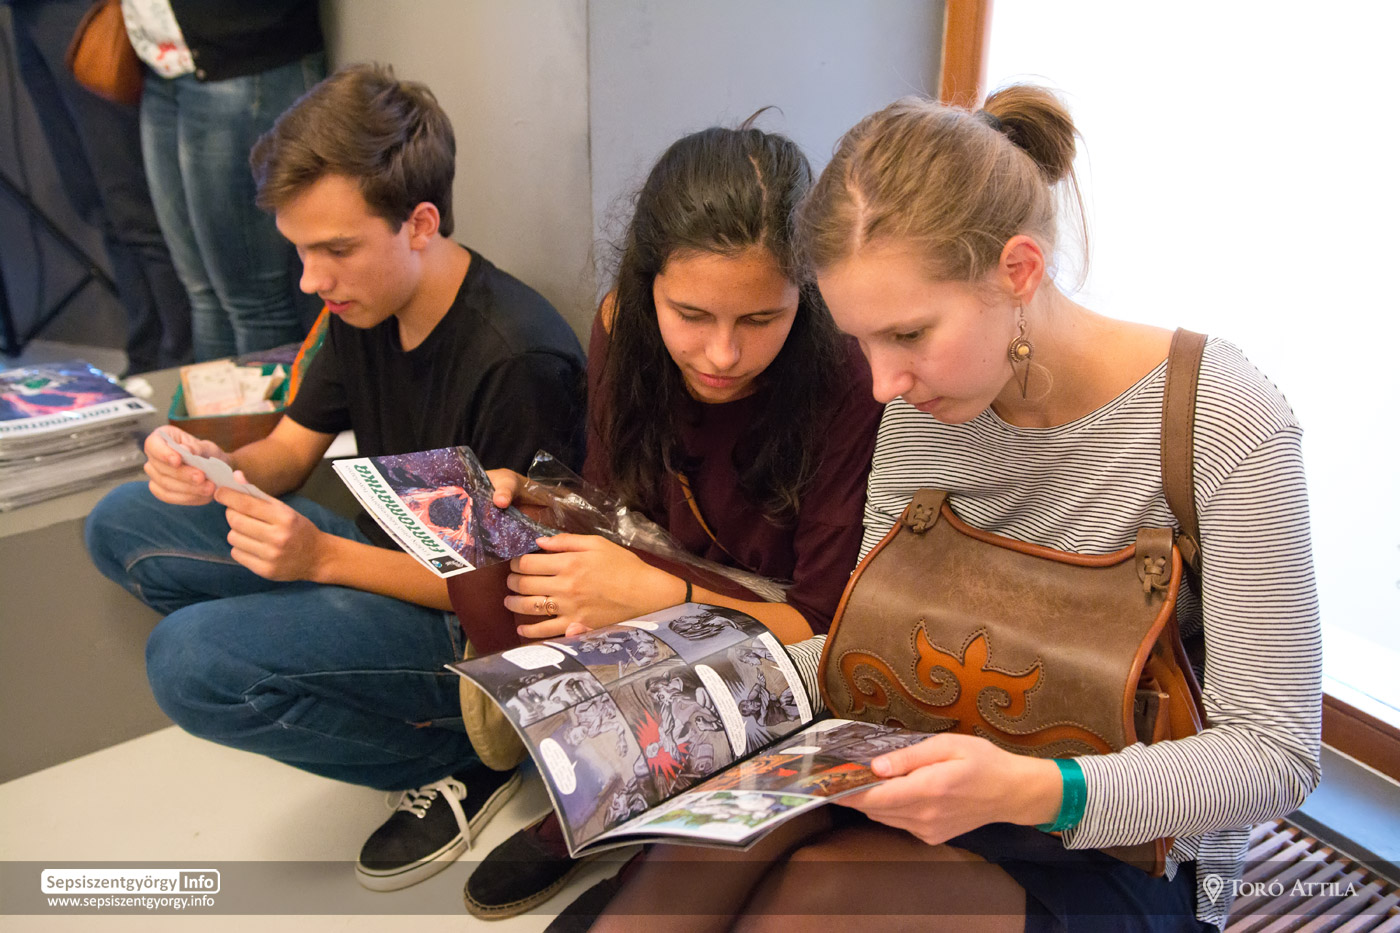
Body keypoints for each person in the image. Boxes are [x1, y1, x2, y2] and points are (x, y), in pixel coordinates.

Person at [592, 86, 1323, 932]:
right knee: (694, 861)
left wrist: (1031, 788)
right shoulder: (920, 407)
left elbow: (1275, 753)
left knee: (818, 894)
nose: (881, 383)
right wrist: (700, 695)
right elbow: (869, 646)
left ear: (1019, 271)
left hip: (1115, 835)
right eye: (861, 339)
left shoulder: (1221, 419)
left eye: (907, 335)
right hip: (928, 762)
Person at [83, 64, 586, 893]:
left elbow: (509, 600)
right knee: (122, 522)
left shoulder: (517, 358)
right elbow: (286, 453)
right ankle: (334, 669)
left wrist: (319, 560)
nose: (311, 279)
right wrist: (206, 467)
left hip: (473, 628)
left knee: (185, 660)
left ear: (419, 223)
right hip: (377, 556)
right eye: (301, 250)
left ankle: (459, 753)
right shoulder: (365, 302)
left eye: (335, 250)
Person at [460, 120, 885, 919]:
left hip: (783, 623)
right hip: (660, 563)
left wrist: (663, 598)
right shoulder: (622, 322)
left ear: (808, 295)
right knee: (489, 552)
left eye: (760, 319)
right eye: (690, 313)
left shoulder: (847, 373)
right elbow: (612, 503)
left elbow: (826, 624)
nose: (722, 353)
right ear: (647, 283)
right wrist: (542, 503)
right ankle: (598, 788)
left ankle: (647, 819)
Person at [122, 0, 326, 359]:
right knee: (203, 293)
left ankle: (272, 398)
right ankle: (222, 399)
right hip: (164, 64)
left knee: (255, 303)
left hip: (240, 56)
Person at [7, 0, 191, 371]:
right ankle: (145, 357)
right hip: (27, 15)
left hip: (80, 12)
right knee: (99, 206)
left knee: (133, 207)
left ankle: (179, 361)